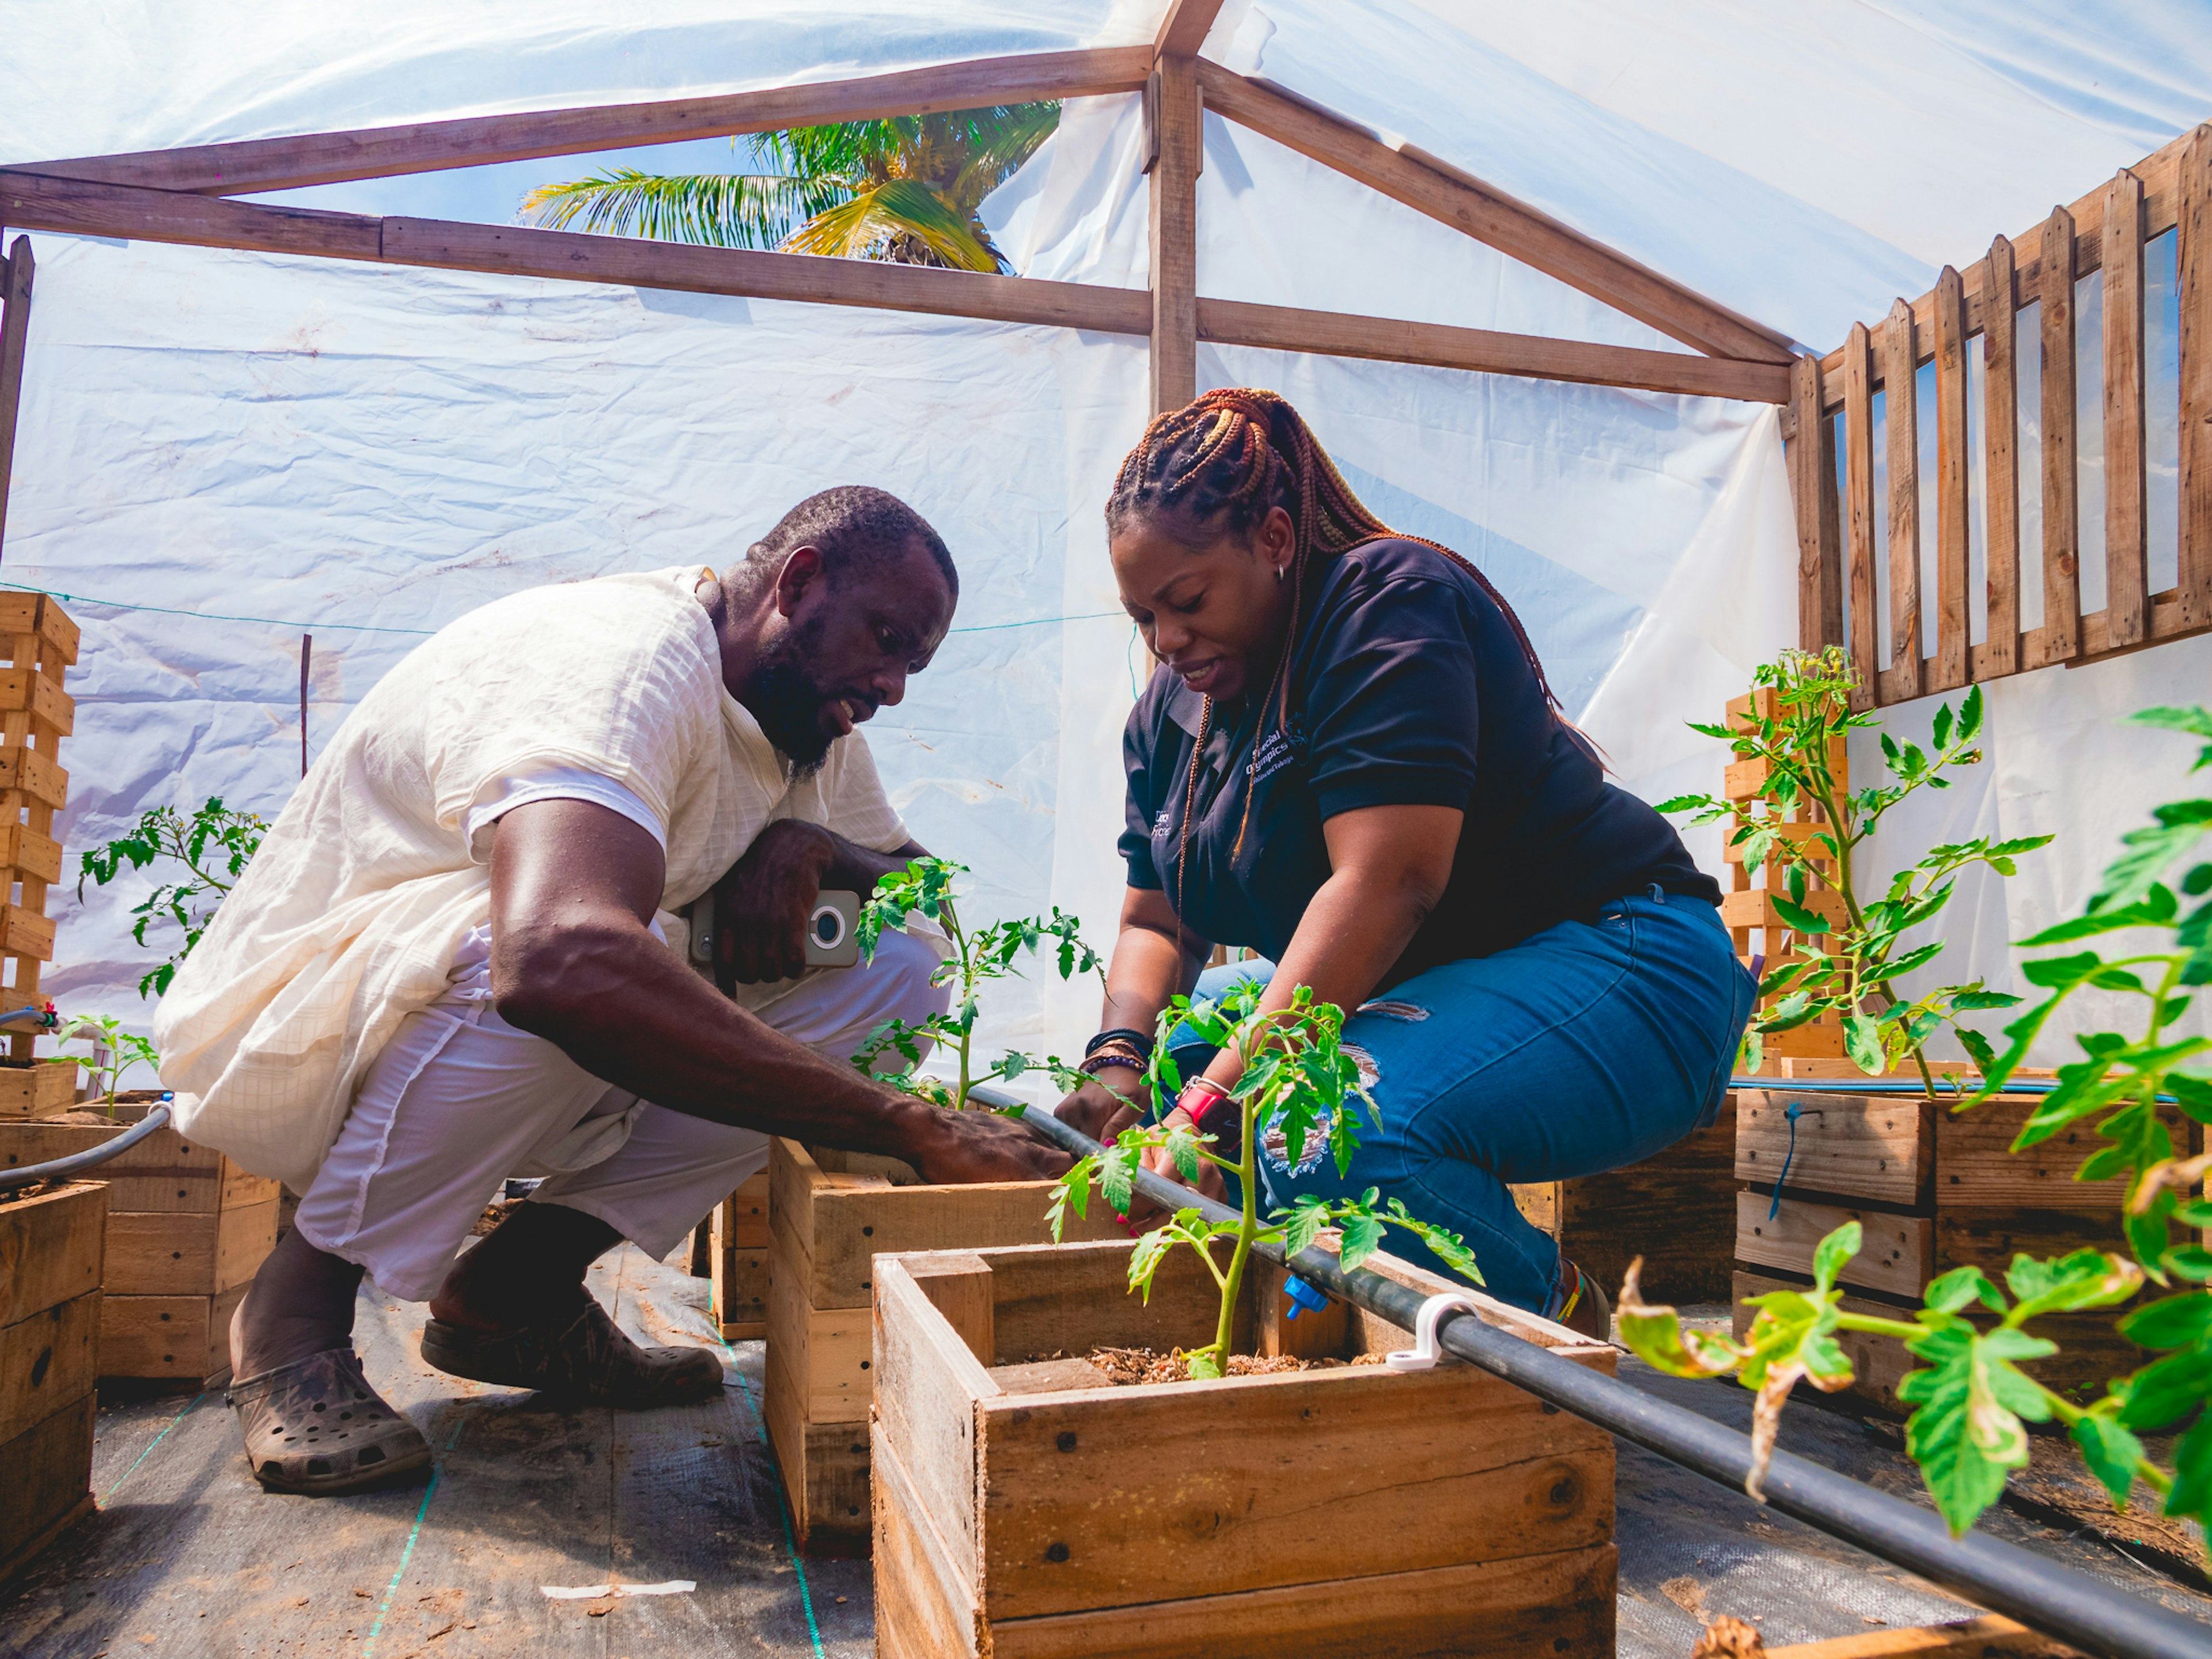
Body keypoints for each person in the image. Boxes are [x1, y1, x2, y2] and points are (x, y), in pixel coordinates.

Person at [155, 486, 1067, 1495]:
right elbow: (552, 960)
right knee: (582, 952)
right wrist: (911, 1126)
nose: (893, 686)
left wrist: (821, 845)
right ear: (799, 583)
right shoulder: (626, 664)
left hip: (511, 1048)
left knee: (902, 961)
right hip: (324, 1025)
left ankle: (515, 1295)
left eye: (914, 665)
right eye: (886, 640)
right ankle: (292, 1318)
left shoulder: (809, 726)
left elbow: (923, 887)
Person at [1054, 391, 1753, 1338]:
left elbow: (1386, 883)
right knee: (1173, 1076)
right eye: (1143, 617)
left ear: (1272, 537)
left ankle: (1558, 1313)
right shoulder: (1173, 714)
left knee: (1315, 1132)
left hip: (1630, 964)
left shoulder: (1382, 603)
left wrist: (1216, 1101)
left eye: (1188, 602)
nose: (1166, 642)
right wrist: (1121, 1066)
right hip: (1452, 979)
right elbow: (1155, 922)